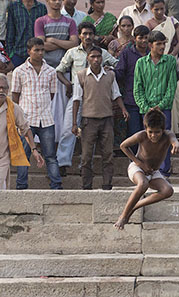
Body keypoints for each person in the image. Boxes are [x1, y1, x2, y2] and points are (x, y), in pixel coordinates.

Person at [55, 21, 118, 176]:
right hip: (77, 95)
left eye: (90, 34)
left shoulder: (101, 53)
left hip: (96, 98)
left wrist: (108, 68)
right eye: (85, 34)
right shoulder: (72, 52)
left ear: (94, 35)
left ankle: (85, 166)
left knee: (91, 132)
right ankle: (62, 162)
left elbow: (117, 65)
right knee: (68, 128)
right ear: (80, 35)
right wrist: (68, 85)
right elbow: (59, 71)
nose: (88, 36)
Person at [71, 46, 128, 190]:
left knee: (108, 155)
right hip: (88, 120)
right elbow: (76, 99)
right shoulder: (81, 75)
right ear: (88, 58)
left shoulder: (109, 75)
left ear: (102, 58)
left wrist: (123, 109)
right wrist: (74, 123)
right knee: (86, 157)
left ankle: (107, 185)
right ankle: (86, 187)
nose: (96, 60)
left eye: (98, 57)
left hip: (107, 119)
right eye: (92, 57)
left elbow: (116, 94)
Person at [115, 108, 179, 230]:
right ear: (146, 128)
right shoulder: (141, 136)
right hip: (137, 169)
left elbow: (174, 140)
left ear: (162, 130)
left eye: (157, 132)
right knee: (143, 184)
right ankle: (123, 216)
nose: (153, 136)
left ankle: (136, 205)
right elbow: (123, 146)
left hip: (153, 172)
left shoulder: (168, 135)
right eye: (150, 132)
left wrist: (176, 144)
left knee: (168, 190)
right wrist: (138, 163)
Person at [11, 37, 62, 190]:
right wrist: (18, 118)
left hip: (46, 119)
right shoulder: (19, 71)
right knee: (24, 156)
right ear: (29, 51)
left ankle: (56, 186)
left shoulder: (51, 71)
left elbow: (52, 94)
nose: (40, 53)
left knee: (51, 156)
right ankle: (21, 186)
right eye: (36, 50)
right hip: (26, 119)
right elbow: (15, 96)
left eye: (42, 50)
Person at [34, 0, 78, 152]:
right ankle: (42, 144)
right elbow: (40, 46)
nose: (57, 2)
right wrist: (64, 42)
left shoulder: (70, 22)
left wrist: (52, 40)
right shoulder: (40, 21)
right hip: (45, 71)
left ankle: (59, 147)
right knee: (46, 108)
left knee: (61, 111)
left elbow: (74, 44)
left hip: (63, 72)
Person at [133, 30, 177, 175]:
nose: (162, 47)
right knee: (147, 140)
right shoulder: (141, 63)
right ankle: (146, 170)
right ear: (150, 45)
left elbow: (171, 87)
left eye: (163, 44)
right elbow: (138, 88)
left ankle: (163, 172)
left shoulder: (170, 61)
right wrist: (146, 108)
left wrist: (161, 105)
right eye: (159, 44)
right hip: (146, 110)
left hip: (164, 109)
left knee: (163, 139)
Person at [0, 74, 44, 190]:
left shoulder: (13, 108)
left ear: (8, 90)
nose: (1, 90)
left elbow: (26, 129)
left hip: (2, 158)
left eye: (4, 88)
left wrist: (34, 150)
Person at [116, 25, 150, 150]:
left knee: (149, 135)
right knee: (135, 135)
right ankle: (135, 165)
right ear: (135, 39)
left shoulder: (152, 54)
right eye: (141, 38)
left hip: (150, 101)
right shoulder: (127, 53)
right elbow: (120, 72)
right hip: (132, 101)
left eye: (146, 38)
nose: (144, 41)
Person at [7, 0, 47, 67]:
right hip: (18, 53)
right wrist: (11, 54)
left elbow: (45, 30)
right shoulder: (14, 7)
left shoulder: (41, 7)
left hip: (36, 53)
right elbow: (10, 32)